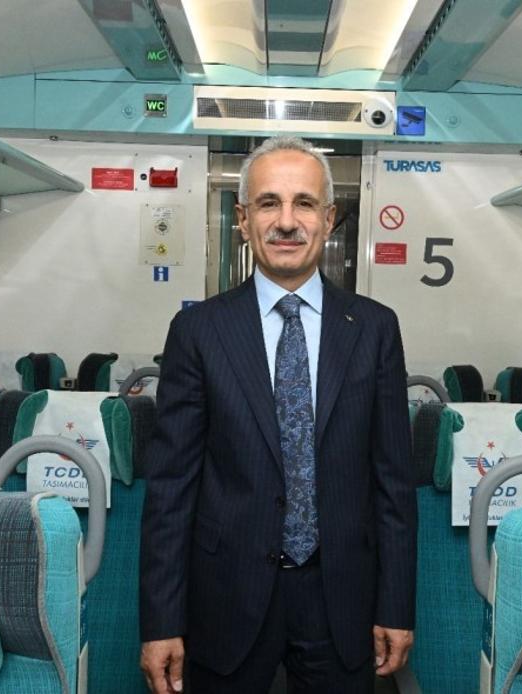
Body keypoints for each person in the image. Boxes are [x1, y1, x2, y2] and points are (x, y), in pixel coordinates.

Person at [139, 135, 417, 693]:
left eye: (304, 204)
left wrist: (396, 605)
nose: (287, 221)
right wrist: (161, 621)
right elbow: (171, 488)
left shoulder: (374, 329)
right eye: (269, 203)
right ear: (243, 220)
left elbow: (393, 483)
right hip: (227, 592)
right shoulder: (198, 332)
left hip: (342, 596)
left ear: (329, 219)